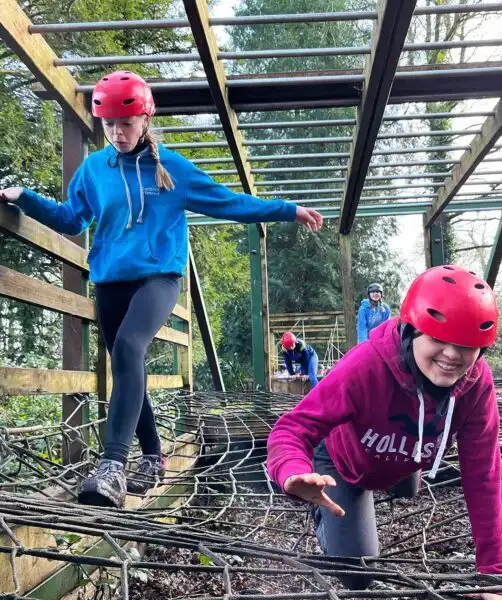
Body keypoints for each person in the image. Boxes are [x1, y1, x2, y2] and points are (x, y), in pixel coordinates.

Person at [0, 70, 323, 509]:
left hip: (159, 278)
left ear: (146, 118)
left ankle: (112, 467)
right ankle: (153, 457)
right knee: (127, 365)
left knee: (132, 348)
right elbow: (71, 220)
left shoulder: (172, 169)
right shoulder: (95, 169)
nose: (117, 132)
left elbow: (232, 203)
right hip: (111, 282)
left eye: (125, 123)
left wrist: (289, 210)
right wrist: (24, 197)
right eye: (109, 123)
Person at [267, 266, 502, 598]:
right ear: (413, 331)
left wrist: (495, 576)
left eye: (467, 345)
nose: (452, 355)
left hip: (402, 456)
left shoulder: (475, 384)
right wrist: (293, 471)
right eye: (439, 338)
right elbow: (292, 428)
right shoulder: (366, 365)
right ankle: (325, 512)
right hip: (343, 464)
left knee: (408, 490)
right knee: (357, 573)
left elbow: (484, 475)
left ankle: (394, 478)